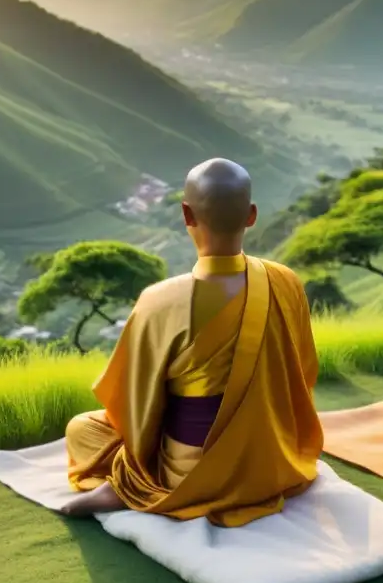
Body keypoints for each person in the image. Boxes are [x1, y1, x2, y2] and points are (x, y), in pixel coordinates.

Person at [61, 157, 323, 525]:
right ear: (251, 215)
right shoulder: (286, 281)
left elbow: (133, 407)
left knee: (82, 429)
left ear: (187, 214)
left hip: (192, 473)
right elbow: (304, 374)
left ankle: (125, 487)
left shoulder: (160, 299)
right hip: (274, 459)